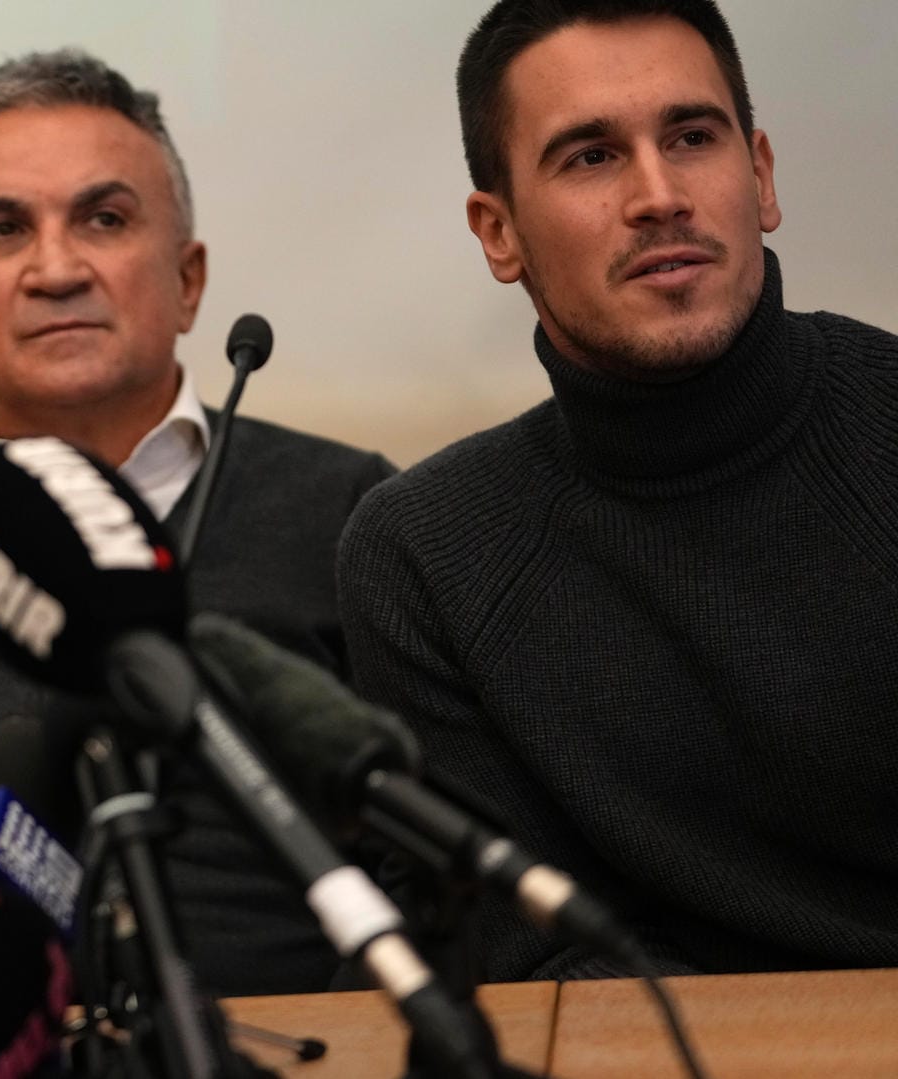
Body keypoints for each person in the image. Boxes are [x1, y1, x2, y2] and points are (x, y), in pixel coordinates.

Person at [0, 49, 396, 997]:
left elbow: (419, 860)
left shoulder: (353, 510)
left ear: (188, 280)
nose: (55, 269)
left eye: (103, 219)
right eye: (3, 229)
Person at [337, 0, 898, 983]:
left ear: (760, 176)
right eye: (590, 156)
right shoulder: (425, 552)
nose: (658, 195)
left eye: (691, 137)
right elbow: (523, 958)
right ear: (498, 230)